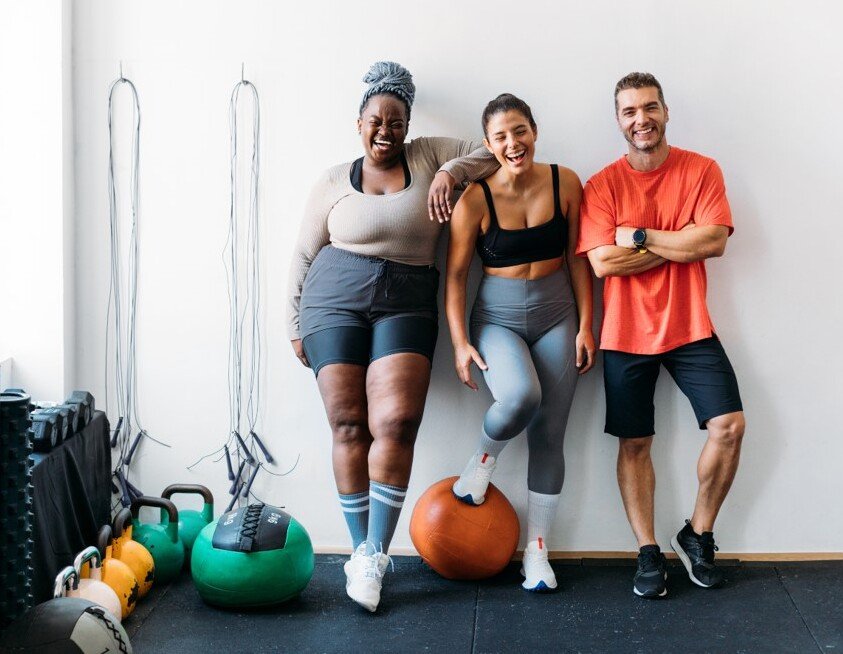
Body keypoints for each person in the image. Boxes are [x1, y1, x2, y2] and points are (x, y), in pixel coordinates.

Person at [286, 61, 497, 612]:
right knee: (349, 424)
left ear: (408, 124)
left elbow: (492, 149)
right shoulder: (333, 179)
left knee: (397, 422)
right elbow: (305, 253)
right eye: (376, 120)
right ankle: (361, 551)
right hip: (332, 298)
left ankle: (377, 551)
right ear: (359, 122)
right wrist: (291, 323)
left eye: (397, 121)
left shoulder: (428, 155)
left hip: (406, 297)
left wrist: (452, 172)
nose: (386, 130)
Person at [576, 72, 745, 598]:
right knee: (635, 443)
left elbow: (713, 241)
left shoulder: (701, 170)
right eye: (629, 111)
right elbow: (603, 263)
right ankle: (648, 550)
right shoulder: (601, 185)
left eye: (649, 108)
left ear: (666, 112)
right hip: (625, 332)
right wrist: (680, 241)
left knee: (730, 426)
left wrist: (643, 236)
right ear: (618, 120)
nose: (641, 119)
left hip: (690, 325)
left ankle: (697, 535)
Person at [445, 93, 596, 592]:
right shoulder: (474, 198)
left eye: (520, 131)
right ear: (489, 145)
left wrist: (586, 325)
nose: (513, 144)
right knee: (521, 397)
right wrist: (461, 343)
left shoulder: (565, 182)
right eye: (501, 137)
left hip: (558, 314)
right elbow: (456, 277)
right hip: (497, 318)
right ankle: (481, 462)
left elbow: (577, 258)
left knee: (550, 433)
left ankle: (537, 553)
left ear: (534, 130)